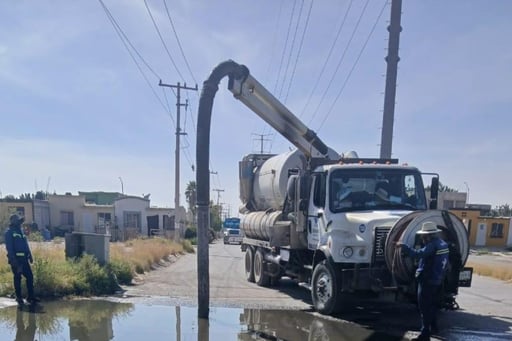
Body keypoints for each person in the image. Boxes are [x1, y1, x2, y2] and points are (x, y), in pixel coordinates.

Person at [397, 221, 449, 341]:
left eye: (423, 236)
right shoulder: (443, 244)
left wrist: (403, 247)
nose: (421, 238)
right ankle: (434, 327)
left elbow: (418, 254)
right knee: (432, 305)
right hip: (438, 279)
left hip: (427, 280)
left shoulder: (431, 245)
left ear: (427, 235)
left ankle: (424, 334)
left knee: (424, 307)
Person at [4, 214, 36, 306]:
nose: (20, 223)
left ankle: (31, 297)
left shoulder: (21, 232)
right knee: (18, 278)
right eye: (18, 221)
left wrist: (30, 255)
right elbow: (9, 248)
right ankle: (19, 297)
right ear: (13, 221)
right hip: (16, 261)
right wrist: (13, 261)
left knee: (30, 276)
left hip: (24, 260)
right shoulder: (9, 232)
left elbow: (26, 244)